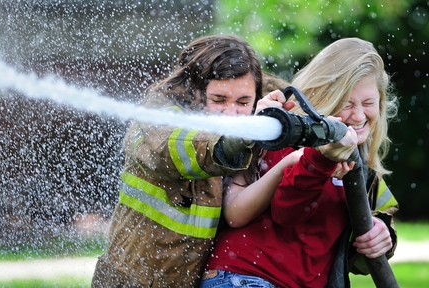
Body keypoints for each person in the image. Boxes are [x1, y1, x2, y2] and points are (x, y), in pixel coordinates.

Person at [91, 34, 290, 287]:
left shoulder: (255, 98)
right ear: (193, 91)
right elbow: (177, 148)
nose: (231, 113)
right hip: (130, 280)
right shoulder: (157, 114)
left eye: (243, 102)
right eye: (219, 100)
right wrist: (242, 135)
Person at [201, 37, 399, 288]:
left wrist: (383, 231)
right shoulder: (288, 133)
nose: (359, 115)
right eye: (347, 103)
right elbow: (287, 213)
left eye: (369, 103)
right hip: (244, 278)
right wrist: (317, 160)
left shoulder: (364, 172)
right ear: (326, 97)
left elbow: (366, 242)